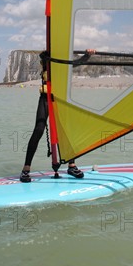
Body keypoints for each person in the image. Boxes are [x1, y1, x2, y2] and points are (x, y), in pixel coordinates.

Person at [20, 49, 95, 183]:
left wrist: (87, 55)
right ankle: (26, 168)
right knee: (38, 129)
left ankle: (71, 166)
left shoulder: (63, 64)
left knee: (67, 130)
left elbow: (77, 62)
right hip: (45, 98)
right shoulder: (46, 60)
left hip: (60, 100)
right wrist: (50, 54)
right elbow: (43, 56)